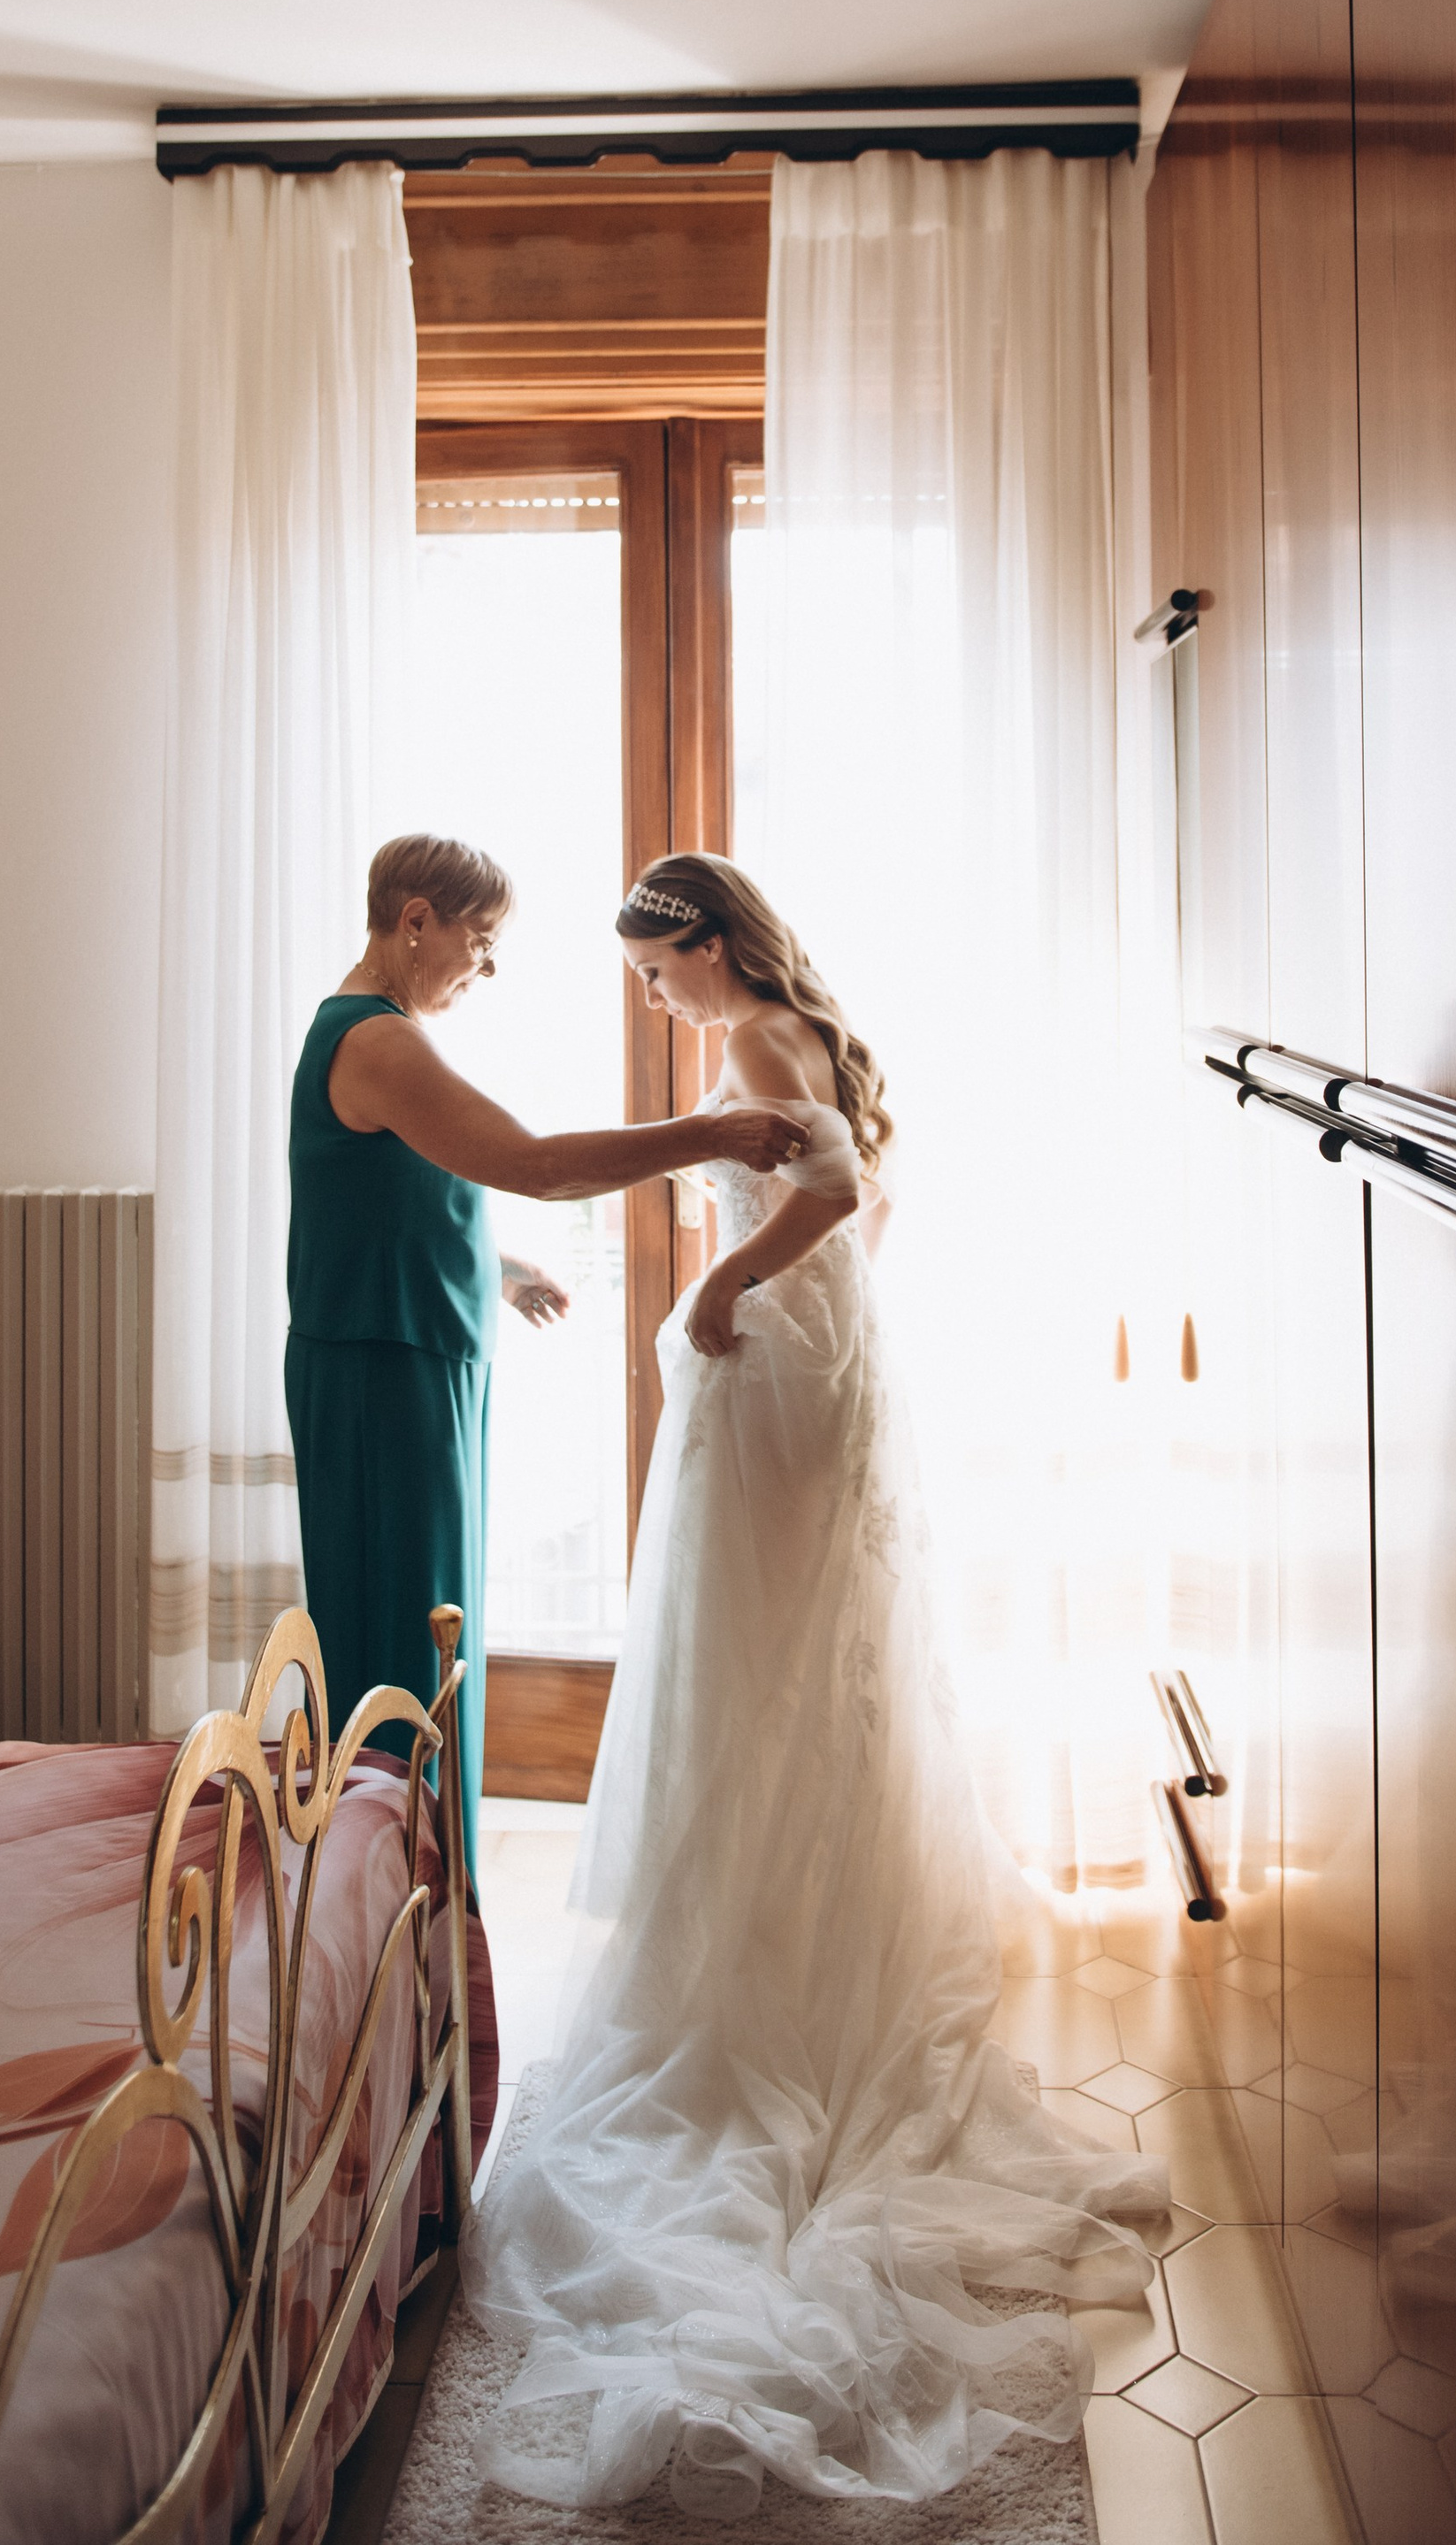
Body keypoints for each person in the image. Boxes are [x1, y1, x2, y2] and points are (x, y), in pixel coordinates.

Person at [465, 852, 1171, 2516]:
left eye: (658, 971)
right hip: (805, 1364)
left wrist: (719, 1277)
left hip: (783, 1360)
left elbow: (834, 1187)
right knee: (777, 1665)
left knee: (769, 1659)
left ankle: (770, 1953)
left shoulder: (769, 1035)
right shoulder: (781, 1032)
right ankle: (777, 1909)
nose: (655, 998)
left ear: (708, 942)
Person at [285, 832, 809, 1876]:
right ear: (415, 919)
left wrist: (496, 1262)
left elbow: (386, 1199)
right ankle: (398, 1896)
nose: (485, 967)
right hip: (383, 1372)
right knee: (402, 1638)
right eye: (478, 942)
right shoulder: (376, 1039)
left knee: (432, 1632)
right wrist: (709, 1136)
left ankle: (423, 1899)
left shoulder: (382, 1034)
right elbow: (533, 1162)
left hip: (416, 1356)